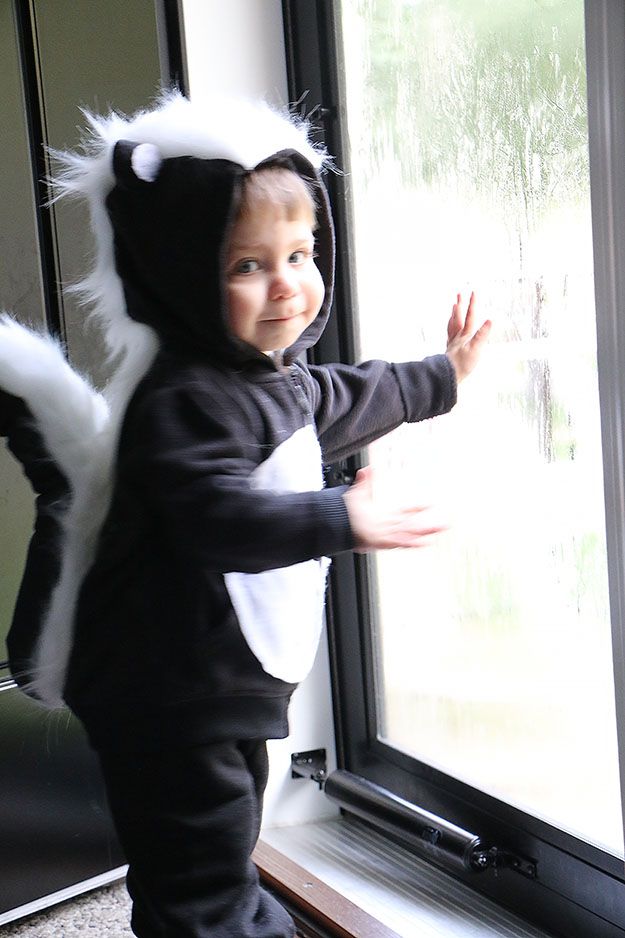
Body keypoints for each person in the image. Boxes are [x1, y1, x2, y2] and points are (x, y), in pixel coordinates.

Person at [1, 91, 491, 937]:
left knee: (218, 836)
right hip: (162, 690)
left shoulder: (263, 377)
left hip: (211, 687)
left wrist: (439, 375)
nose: (287, 287)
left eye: (300, 254)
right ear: (177, 274)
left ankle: (214, 906)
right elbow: (213, 517)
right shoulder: (181, 402)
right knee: (195, 856)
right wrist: (337, 517)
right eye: (246, 266)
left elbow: (344, 395)